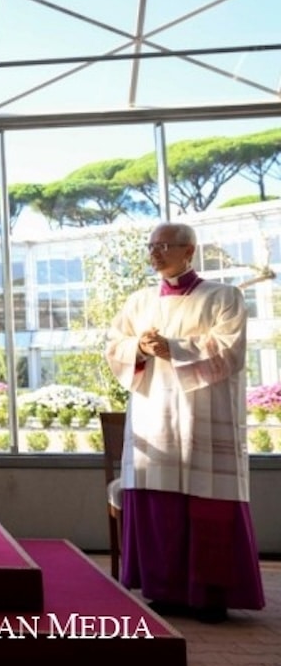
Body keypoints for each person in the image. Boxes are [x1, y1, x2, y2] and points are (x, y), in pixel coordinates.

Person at [106, 222, 265, 623]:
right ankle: (163, 591)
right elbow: (115, 346)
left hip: (204, 418)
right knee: (160, 506)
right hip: (154, 416)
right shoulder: (139, 301)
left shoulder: (223, 296)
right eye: (152, 246)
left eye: (164, 245)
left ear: (189, 250)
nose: (155, 252)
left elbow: (230, 351)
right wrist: (138, 348)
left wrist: (172, 347)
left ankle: (210, 596)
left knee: (207, 504)